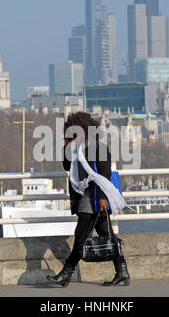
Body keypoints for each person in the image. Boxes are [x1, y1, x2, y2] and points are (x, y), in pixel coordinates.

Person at [46, 112, 130, 287]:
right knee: (107, 236)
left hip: (95, 198)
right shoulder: (77, 150)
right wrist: (66, 146)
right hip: (85, 197)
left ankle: (65, 274)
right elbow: (66, 166)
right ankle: (122, 272)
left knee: (80, 236)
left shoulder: (99, 147)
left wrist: (101, 197)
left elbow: (104, 174)